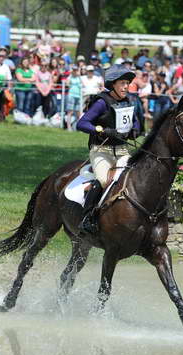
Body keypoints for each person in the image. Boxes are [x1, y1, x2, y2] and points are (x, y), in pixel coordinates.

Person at [76, 64, 140, 234]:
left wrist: (135, 130)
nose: (126, 87)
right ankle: (87, 218)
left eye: (128, 83)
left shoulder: (128, 101)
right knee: (105, 181)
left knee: (131, 181)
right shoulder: (101, 103)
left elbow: (135, 122)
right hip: (101, 151)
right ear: (113, 84)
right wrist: (101, 130)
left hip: (122, 151)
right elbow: (81, 123)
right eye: (123, 83)